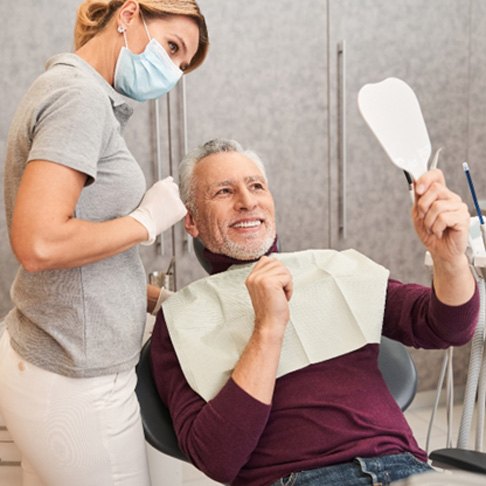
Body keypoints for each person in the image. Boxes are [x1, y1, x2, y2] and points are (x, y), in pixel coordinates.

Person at [150, 138, 480, 486]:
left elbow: (447, 327)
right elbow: (217, 456)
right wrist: (268, 329)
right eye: (224, 192)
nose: (247, 202)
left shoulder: (332, 269)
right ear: (192, 221)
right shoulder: (181, 321)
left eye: (256, 186)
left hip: (404, 469)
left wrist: (450, 259)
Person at [0, 1, 208, 485]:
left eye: (181, 66)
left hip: (49, 355)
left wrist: (154, 299)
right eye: (172, 47)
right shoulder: (79, 100)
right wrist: (145, 220)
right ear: (130, 14)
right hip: (75, 382)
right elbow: (39, 244)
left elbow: (79, 256)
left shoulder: (77, 91)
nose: (172, 73)